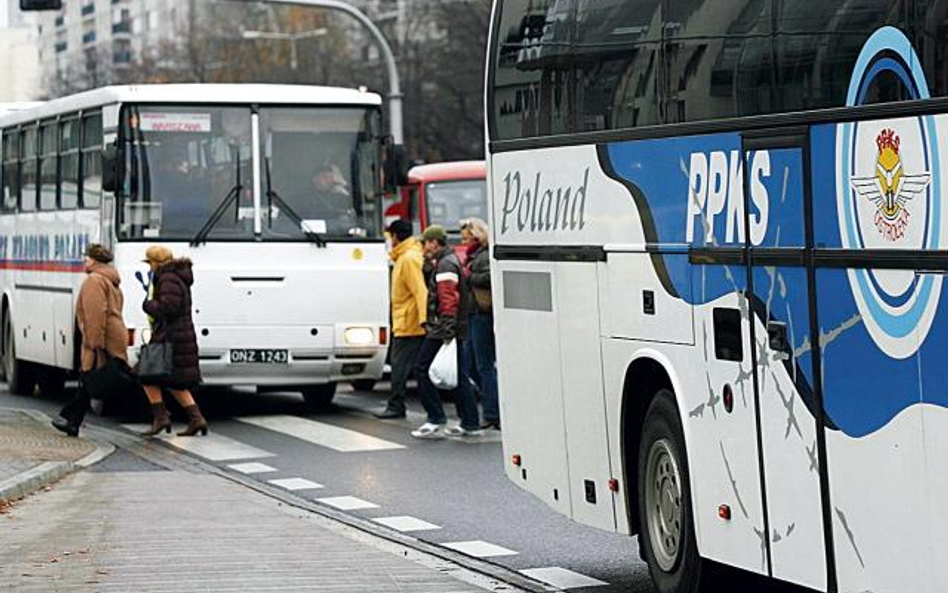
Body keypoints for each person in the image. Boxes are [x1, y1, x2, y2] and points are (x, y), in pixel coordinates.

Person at [410, 225, 481, 439]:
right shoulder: (446, 261)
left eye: (425, 243)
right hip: (453, 327)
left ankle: (435, 418)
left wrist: (446, 331)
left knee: (422, 369)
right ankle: (470, 422)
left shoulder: (445, 265)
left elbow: (448, 299)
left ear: (434, 243)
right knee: (459, 375)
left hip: (444, 329)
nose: (423, 247)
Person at [52, 245, 129, 437]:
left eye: (86, 258)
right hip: (113, 335)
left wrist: (94, 344)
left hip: (101, 339)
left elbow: (95, 314)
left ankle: (159, 412)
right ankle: (71, 421)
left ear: (94, 260)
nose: (84, 261)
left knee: (91, 379)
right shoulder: (111, 279)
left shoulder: (94, 281)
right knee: (89, 382)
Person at [139, 245, 207, 437]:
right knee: (173, 380)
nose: (149, 267)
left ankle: (162, 418)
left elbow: (168, 308)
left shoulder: (168, 278)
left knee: (146, 375)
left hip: (170, 336)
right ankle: (195, 419)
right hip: (178, 335)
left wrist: (148, 305)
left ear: (156, 262)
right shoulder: (176, 276)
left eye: (150, 263)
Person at [375, 220, 427, 419]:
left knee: (399, 367)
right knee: (413, 367)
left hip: (409, 323)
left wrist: (424, 320)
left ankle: (396, 405)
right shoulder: (405, 256)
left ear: (396, 236)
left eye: (390, 236)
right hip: (406, 320)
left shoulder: (408, 259)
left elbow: (420, 291)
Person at [462, 218, 500, 430]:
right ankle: (491, 404)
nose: (464, 242)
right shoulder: (474, 254)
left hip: (482, 313)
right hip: (473, 312)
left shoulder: (484, 255)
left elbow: (490, 277)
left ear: (477, 237)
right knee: (472, 364)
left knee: (484, 365)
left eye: (466, 238)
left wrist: (469, 276)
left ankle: (492, 412)